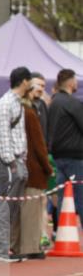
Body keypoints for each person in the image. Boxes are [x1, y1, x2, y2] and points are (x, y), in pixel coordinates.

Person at [0, 66, 32, 261]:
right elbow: (4, 134)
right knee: (6, 205)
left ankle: (7, 246)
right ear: (24, 81)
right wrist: (11, 162)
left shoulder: (16, 102)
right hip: (10, 161)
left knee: (13, 206)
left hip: (17, 159)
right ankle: (0, 249)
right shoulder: (7, 103)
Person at [20, 82, 54, 259]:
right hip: (34, 169)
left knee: (31, 209)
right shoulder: (30, 113)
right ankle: (31, 246)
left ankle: (29, 245)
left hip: (24, 167)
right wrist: (48, 167)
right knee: (33, 210)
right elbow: (38, 143)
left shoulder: (24, 111)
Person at [48, 68, 83, 225]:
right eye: (75, 80)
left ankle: (62, 232)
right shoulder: (72, 103)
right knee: (80, 196)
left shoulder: (53, 103)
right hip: (74, 157)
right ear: (70, 82)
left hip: (57, 156)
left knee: (62, 197)